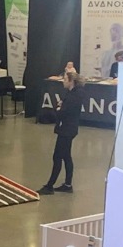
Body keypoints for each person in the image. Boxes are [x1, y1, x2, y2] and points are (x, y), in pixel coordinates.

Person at [38, 65, 82, 195]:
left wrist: (59, 109)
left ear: (71, 81)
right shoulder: (73, 93)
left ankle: (50, 185)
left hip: (67, 129)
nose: (63, 82)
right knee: (66, 156)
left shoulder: (75, 95)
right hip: (68, 128)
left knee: (58, 156)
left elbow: (64, 112)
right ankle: (67, 184)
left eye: (64, 80)